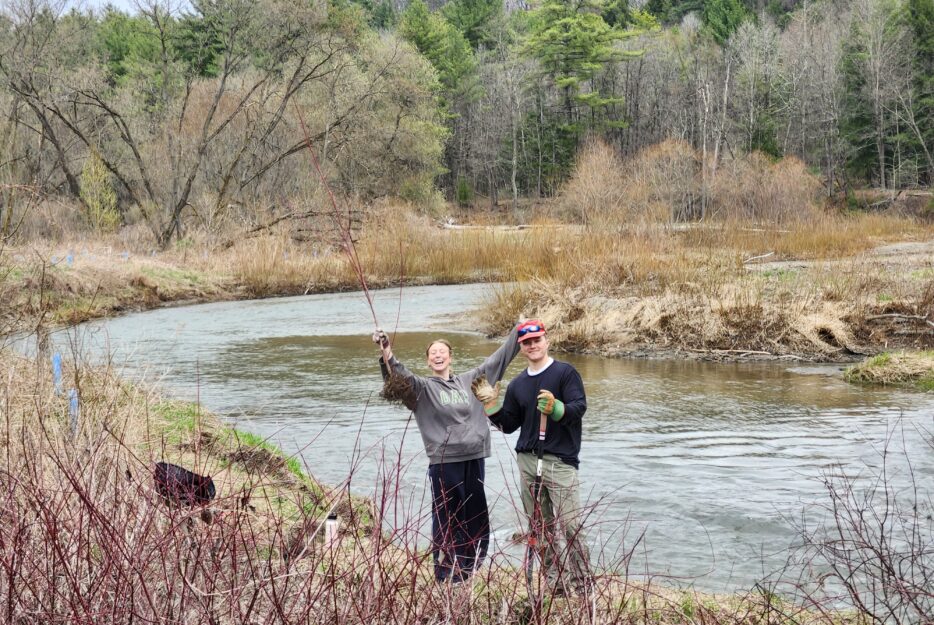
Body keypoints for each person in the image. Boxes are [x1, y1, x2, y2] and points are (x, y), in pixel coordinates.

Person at [373, 324, 520, 583]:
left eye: (442, 351)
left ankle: (470, 568)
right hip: (444, 462)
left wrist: (520, 330)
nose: (438, 355)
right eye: (433, 353)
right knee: (446, 517)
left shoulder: (471, 380)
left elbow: (499, 358)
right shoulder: (422, 389)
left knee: (475, 514)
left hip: (474, 457)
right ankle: (445, 572)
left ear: (451, 357)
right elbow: (398, 378)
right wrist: (387, 352)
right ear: (428, 361)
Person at [477, 319, 590, 594]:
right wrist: (490, 406)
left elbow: (579, 409)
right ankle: (556, 583)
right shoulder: (517, 384)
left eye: (537, 340)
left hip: (560, 461)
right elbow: (509, 425)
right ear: (521, 347)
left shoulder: (565, 373)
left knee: (571, 524)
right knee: (540, 526)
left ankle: (583, 584)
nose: (533, 345)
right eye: (527, 342)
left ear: (546, 341)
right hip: (527, 461)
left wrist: (556, 408)